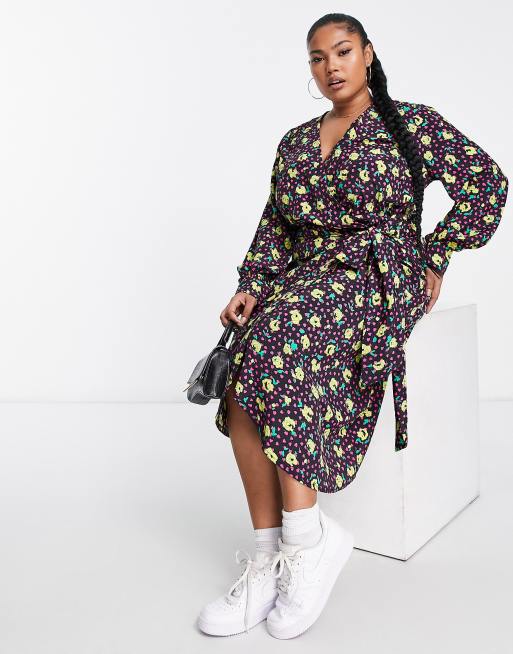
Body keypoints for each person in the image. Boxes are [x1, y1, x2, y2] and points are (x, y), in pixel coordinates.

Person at [197, 13, 509, 639]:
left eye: (342, 51)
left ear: (368, 53)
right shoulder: (294, 142)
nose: (330, 67)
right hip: (308, 277)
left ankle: (307, 541)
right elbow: (277, 224)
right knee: (240, 375)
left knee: (283, 343)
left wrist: (435, 253)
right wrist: (252, 283)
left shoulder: (411, 124)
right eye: (317, 58)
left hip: (379, 274)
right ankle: (267, 559)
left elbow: (487, 185)